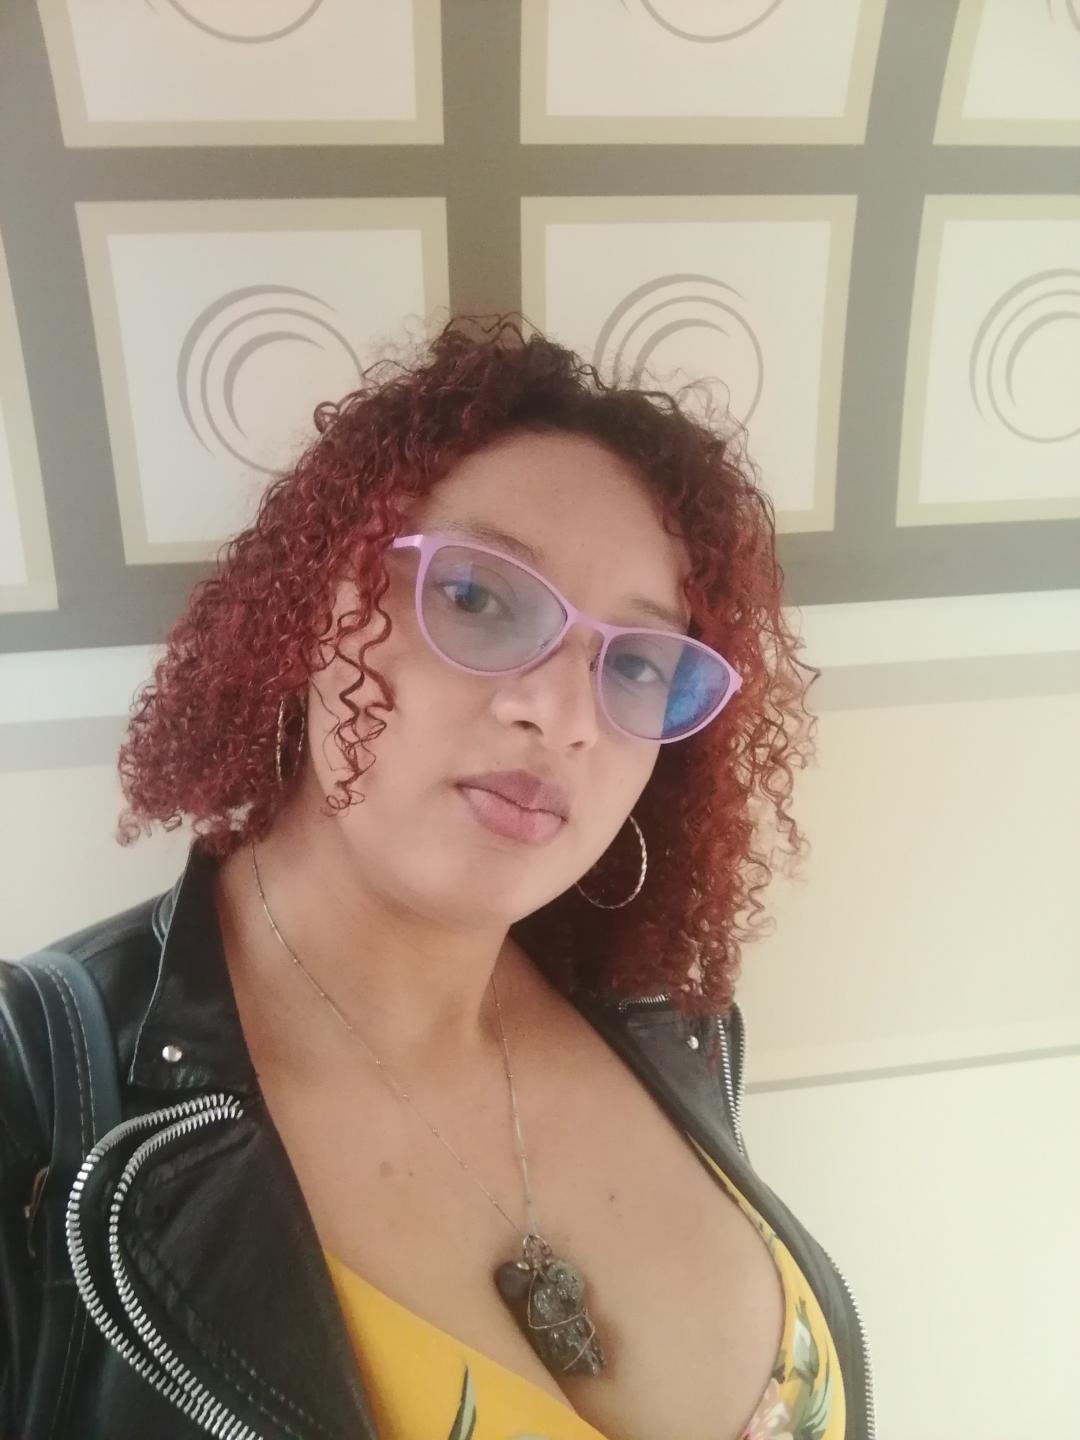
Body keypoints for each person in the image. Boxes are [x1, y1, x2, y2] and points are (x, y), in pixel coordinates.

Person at [0, 316, 874, 1439]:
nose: (560, 714)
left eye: (638, 662)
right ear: (317, 609)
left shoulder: (672, 1020)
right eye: (477, 598)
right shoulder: (37, 1098)